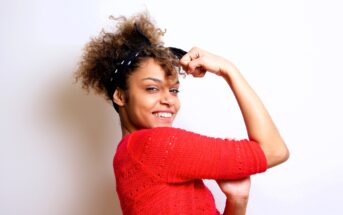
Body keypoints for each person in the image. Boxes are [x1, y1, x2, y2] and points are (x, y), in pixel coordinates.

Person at [75, 12, 289, 215]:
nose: (169, 100)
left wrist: (237, 200)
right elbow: (274, 151)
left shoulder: (129, 155)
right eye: (152, 88)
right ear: (120, 96)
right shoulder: (154, 145)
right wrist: (228, 70)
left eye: (174, 90)